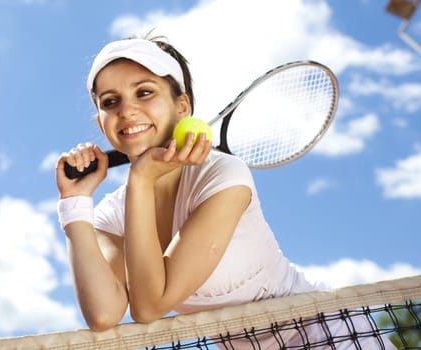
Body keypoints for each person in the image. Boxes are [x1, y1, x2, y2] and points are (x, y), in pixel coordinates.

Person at [55, 35, 395, 349]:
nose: (126, 110)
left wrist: (142, 180)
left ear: (182, 106)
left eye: (144, 92)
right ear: (101, 123)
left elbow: (149, 305)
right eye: (110, 101)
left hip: (328, 334)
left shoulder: (223, 175)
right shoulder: (111, 217)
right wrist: (74, 205)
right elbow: (103, 314)